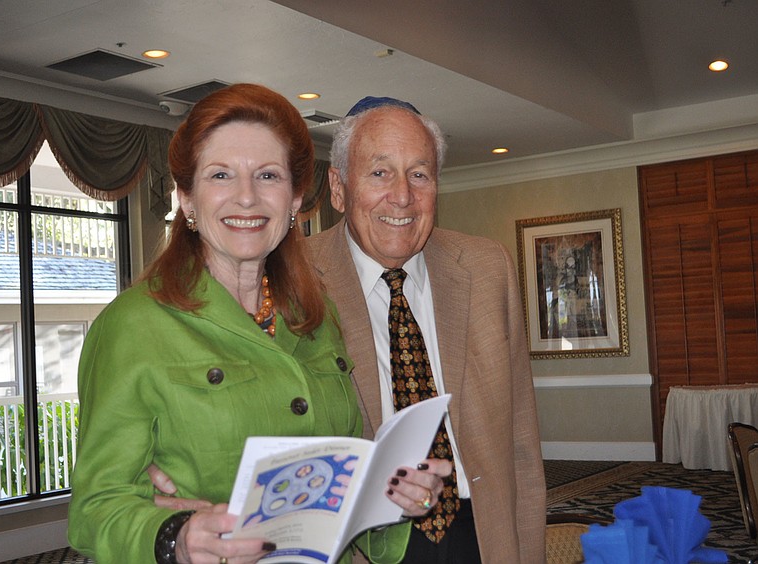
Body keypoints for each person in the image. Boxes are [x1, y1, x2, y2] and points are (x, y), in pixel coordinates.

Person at [68, 84, 446, 564]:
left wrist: (393, 495)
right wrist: (174, 538)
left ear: (294, 200)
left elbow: (340, 480)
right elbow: (93, 510)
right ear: (186, 198)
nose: (246, 198)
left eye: (267, 175)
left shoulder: (315, 317)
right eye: (221, 174)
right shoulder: (133, 326)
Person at [304, 96, 547, 563]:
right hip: (364, 540)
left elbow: (521, 442)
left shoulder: (487, 267)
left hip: (479, 530)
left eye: (420, 174)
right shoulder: (296, 280)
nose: (402, 196)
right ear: (338, 187)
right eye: (379, 172)